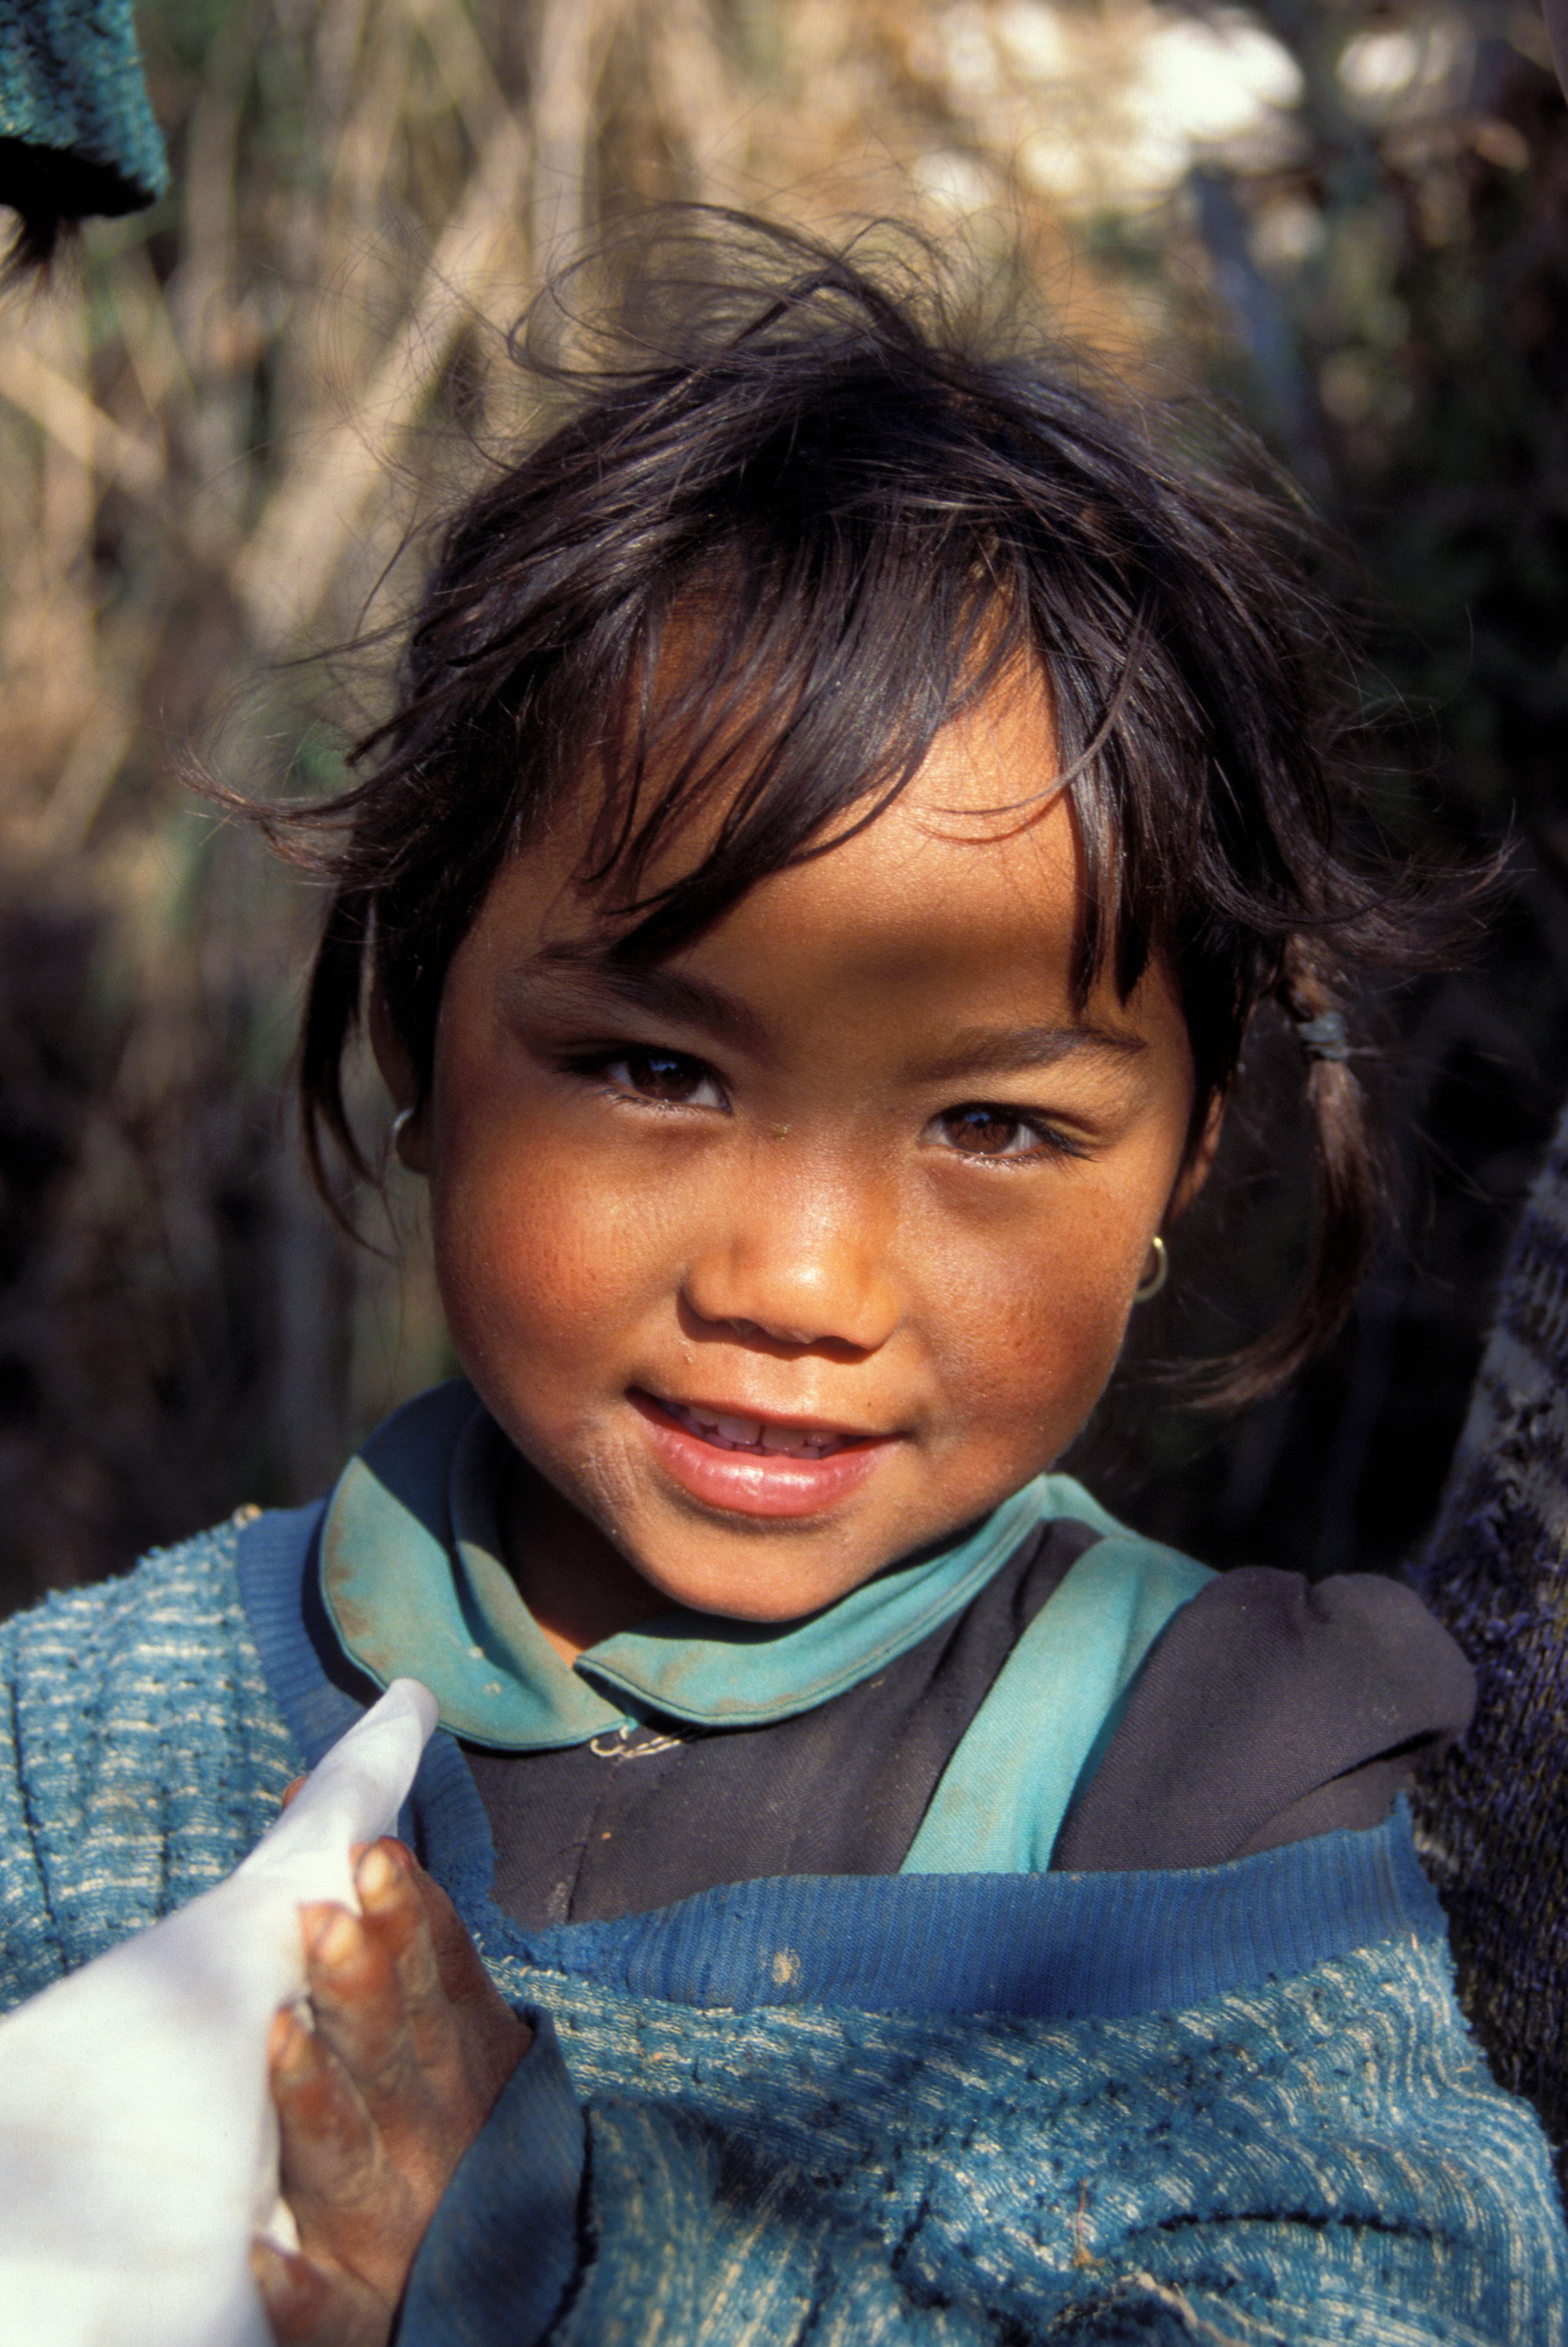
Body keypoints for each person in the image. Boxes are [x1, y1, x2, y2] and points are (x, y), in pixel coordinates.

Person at [2, 216, 1564, 2347]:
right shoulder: (92, 1744)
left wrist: (584, 2279)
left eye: (994, 1128)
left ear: (1181, 1167)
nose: (799, 1281)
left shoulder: (1197, 1789)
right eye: (654, 1068)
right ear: (415, 1043)